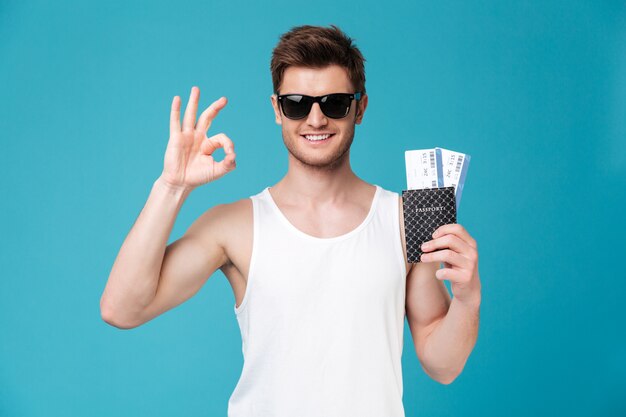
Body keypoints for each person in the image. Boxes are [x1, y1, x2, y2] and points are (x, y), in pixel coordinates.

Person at [100, 24, 482, 417]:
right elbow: (122, 309)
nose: (316, 119)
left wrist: (467, 299)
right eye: (297, 103)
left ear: (360, 108)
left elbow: (443, 364)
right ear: (277, 110)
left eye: (334, 103)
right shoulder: (233, 227)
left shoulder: (405, 220)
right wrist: (171, 187)